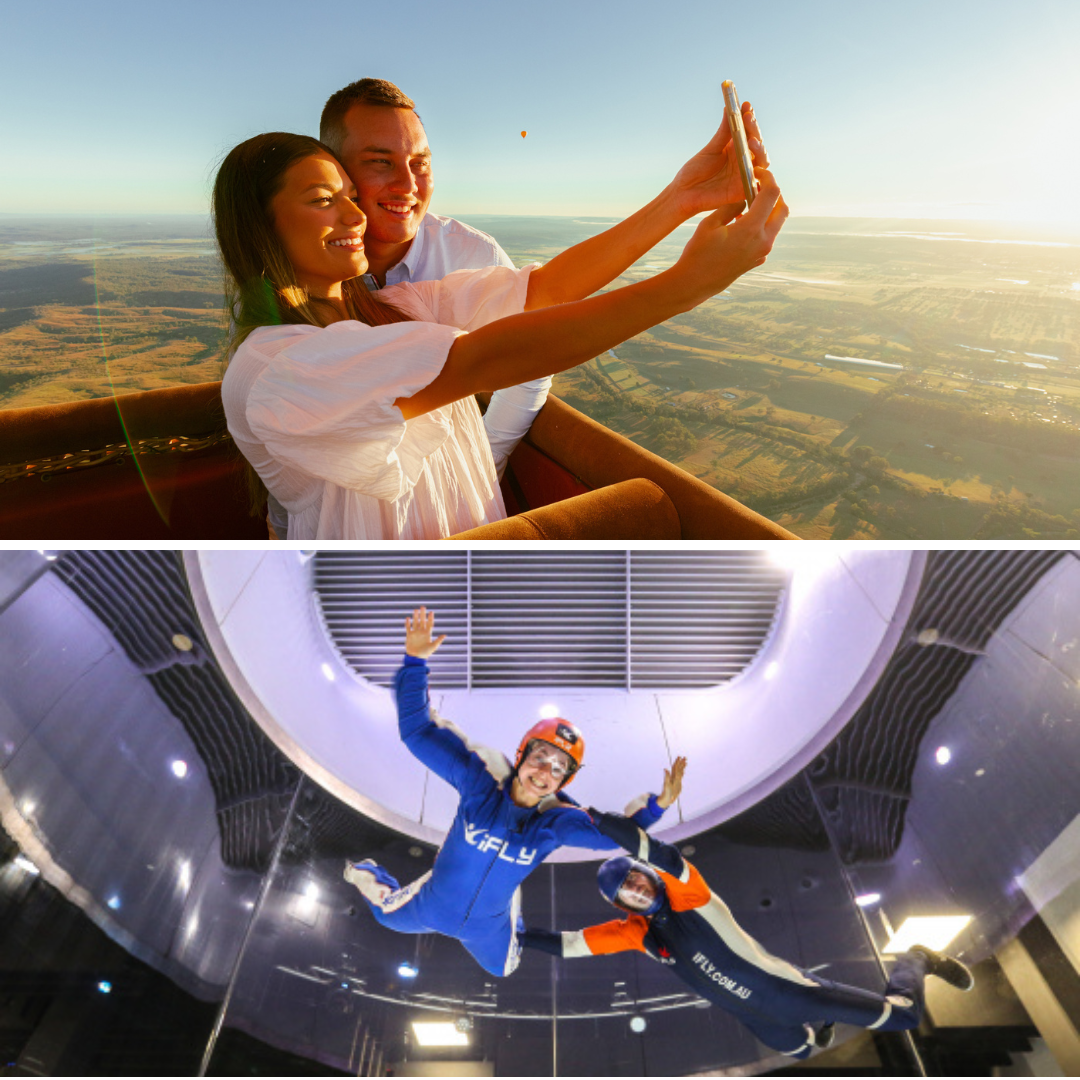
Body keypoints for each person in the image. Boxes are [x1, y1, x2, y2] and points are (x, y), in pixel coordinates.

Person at [215, 105, 787, 540]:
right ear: (261, 227)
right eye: (323, 200)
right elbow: (485, 359)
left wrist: (682, 198)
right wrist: (688, 284)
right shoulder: (277, 369)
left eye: (348, 194)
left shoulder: (395, 308)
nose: (354, 213)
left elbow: (546, 290)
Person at [265, 79, 544, 539]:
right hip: (336, 517)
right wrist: (283, 522)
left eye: (421, 163)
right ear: (336, 170)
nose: (409, 185)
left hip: (450, 510)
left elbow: (530, 359)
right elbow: (275, 421)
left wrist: (486, 457)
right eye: (381, 162)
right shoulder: (285, 276)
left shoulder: (472, 255)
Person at [343, 607, 687, 977]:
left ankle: (509, 906)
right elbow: (418, 733)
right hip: (431, 905)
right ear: (522, 754)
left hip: (486, 928)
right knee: (385, 916)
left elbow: (610, 838)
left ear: (564, 781)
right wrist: (414, 663)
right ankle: (364, 872)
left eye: (558, 768)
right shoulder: (480, 783)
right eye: (540, 757)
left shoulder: (556, 823)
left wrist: (658, 807)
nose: (544, 772)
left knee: (504, 969)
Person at [521, 806, 975, 1060]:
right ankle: (820, 1028)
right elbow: (571, 945)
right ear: (621, 904)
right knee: (803, 1051)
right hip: (758, 1018)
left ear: (648, 875)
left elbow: (657, 852)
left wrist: (591, 817)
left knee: (905, 1018)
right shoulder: (638, 933)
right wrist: (520, 938)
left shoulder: (688, 895)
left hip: (798, 994)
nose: (636, 888)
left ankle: (918, 957)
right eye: (626, 890)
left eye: (636, 877)